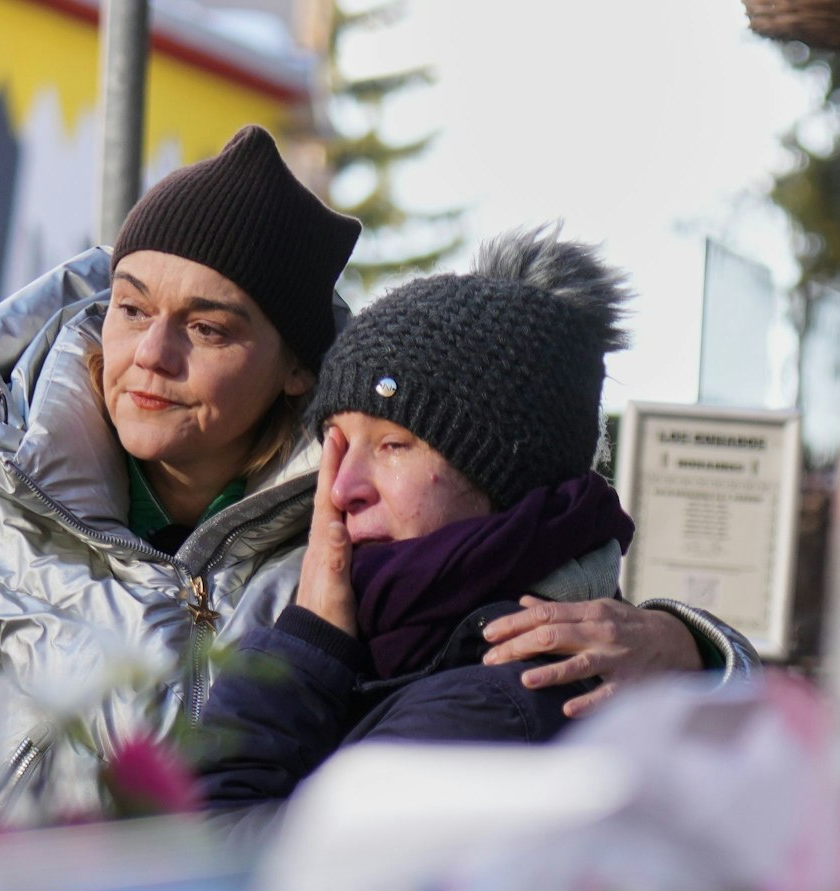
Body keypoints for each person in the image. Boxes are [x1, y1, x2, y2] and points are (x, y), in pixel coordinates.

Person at [0, 128, 752, 828]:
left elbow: (545, 616)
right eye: (130, 309)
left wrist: (692, 646)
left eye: (209, 328)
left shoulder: (369, 533)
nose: (150, 355)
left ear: (297, 366)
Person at [198, 227, 732, 809]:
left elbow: (212, 849)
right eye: (337, 442)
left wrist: (305, 647)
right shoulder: (384, 641)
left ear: (507, 477)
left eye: (393, 445)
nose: (344, 488)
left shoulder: (498, 701)